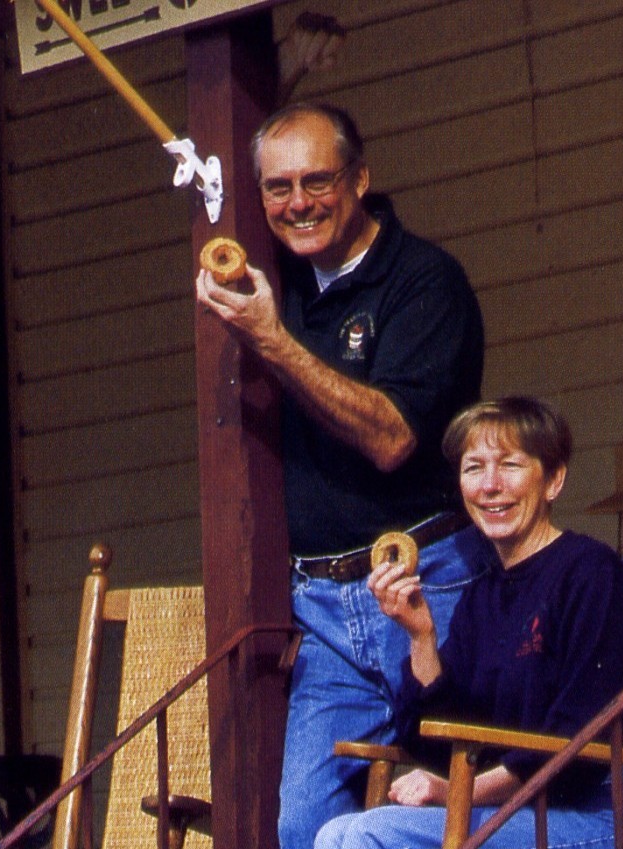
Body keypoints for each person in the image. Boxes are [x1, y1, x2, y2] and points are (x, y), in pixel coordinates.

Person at [194, 103, 486, 849]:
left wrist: (271, 340)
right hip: (321, 606)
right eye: (278, 187)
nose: (297, 204)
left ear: (360, 178)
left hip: (428, 581)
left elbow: (391, 437)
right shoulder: (279, 284)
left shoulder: (425, 280)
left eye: (317, 181)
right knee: (302, 825)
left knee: (443, 804)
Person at [315, 396, 623, 849]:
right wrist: (421, 634)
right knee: (335, 833)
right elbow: (439, 741)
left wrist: (457, 795)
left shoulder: (591, 574)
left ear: (553, 481)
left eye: (509, 465)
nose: (489, 485)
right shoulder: (482, 597)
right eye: (473, 468)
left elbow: (580, 741)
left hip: (613, 812)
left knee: (373, 835)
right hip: (531, 811)